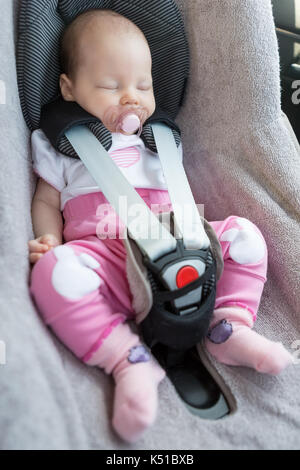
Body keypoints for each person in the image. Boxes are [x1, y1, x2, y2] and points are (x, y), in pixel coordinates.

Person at [28, 9, 294, 443]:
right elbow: (46, 199)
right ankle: (125, 357)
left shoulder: (160, 140)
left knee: (244, 236)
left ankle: (228, 325)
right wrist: (50, 239)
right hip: (105, 255)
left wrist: (203, 231)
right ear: (68, 89)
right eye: (112, 86)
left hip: (182, 241)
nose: (132, 98)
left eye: (144, 85)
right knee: (53, 274)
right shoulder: (63, 146)